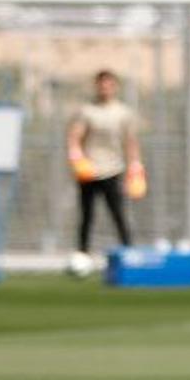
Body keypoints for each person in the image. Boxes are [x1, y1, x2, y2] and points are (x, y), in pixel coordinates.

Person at [66, 70, 144, 274]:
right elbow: (75, 136)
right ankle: (82, 255)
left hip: (113, 169)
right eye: (101, 84)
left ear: (115, 86)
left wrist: (135, 165)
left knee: (118, 213)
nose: (104, 88)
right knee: (86, 215)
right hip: (89, 170)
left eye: (108, 84)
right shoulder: (88, 111)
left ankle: (128, 253)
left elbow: (130, 141)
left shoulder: (123, 112)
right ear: (96, 86)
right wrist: (76, 156)